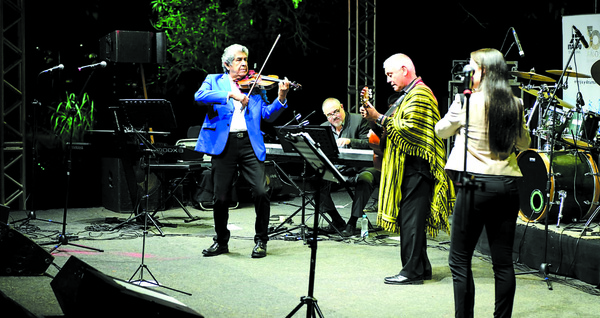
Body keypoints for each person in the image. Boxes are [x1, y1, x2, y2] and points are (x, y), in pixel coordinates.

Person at [435, 48, 530, 317]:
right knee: (503, 263)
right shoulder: (515, 103)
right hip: (507, 185)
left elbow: (440, 131)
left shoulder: (466, 101)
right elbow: (524, 143)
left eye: (472, 68)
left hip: (474, 185)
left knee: (460, 260)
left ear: (484, 71)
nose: (468, 72)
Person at [360, 53, 454, 285]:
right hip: (410, 168)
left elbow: (409, 130)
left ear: (404, 70)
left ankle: (411, 272)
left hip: (418, 168)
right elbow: (390, 130)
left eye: (391, 74)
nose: (389, 80)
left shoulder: (420, 94)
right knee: (411, 221)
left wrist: (379, 117)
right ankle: (422, 267)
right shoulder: (407, 95)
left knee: (411, 222)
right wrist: (374, 118)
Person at [194, 44, 290, 258]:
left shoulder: (256, 85)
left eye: (245, 59)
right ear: (227, 64)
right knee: (220, 197)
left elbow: (267, 115)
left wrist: (281, 98)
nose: (244, 63)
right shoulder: (214, 80)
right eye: (238, 60)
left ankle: (261, 240)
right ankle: (221, 241)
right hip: (224, 144)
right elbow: (199, 96)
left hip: (249, 143)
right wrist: (231, 95)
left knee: (262, 191)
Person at [318, 97, 377, 237]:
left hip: (362, 167)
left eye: (336, 112)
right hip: (339, 169)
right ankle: (337, 220)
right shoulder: (323, 128)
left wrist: (351, 141)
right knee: (316, 182)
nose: (334, 117)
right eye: (329, 115)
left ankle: (352, 222)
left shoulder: (359, 120)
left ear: (342, 107)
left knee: (365, 179)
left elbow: (369, 143)